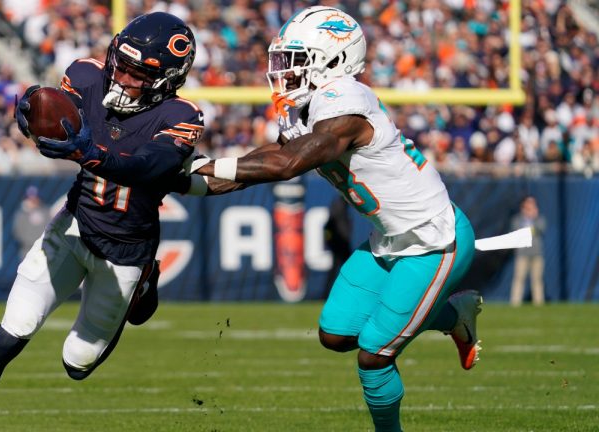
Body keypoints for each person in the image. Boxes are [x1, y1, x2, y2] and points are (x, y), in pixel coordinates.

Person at [189, 7, 482, 431]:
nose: (283, 72)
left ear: (333, 59)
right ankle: (455, 317)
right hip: (389, 242)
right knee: (336, 335)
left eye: (295, 59)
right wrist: (186, 180)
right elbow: (264, 161)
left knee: (374, 356)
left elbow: (288, 164)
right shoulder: (310, 105)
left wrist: (206, 165)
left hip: (434, 242)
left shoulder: (345, 100)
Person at [0, 12, 216, 431]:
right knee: (10, 333)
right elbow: (53, 112)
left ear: (167, 78)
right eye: (119, 63)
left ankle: (145, 282)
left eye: (137, 72)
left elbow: (150, 167)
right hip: (73, 227)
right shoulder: (87, 75)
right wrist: (31, 111)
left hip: (125, 252)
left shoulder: (181, 114)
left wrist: (92, 154)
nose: (120, 76)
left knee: (77, 364)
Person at [509, 195, 546, 306]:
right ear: (523, 206)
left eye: (533, 204)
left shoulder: (539, 219)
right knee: (519, 278)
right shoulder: (518, 219)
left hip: (536, 253)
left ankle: (539, 303)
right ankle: (515, 303)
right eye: (528, 204)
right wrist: (527, 219)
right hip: (522, 254)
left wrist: (533, 218)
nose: (530, 207)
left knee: (537, 280)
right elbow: (517, 231)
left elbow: (541, 228)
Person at [322, 195, 352, 299]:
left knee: (341, 270)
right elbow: (327, 227)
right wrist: (330, 241)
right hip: (340, 244)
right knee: (346, 269)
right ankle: (328, 294)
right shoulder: (338, 205)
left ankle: (328, 294)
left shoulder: (341, 205)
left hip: (342, 243)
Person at [11, 185, 49, 260]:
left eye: (35, 198)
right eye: (30, 198)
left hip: (43, 249)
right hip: (27, 250)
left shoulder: (45, 212)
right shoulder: (21, 214)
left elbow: (50, 229)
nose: (32, 201)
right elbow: (17, 232)